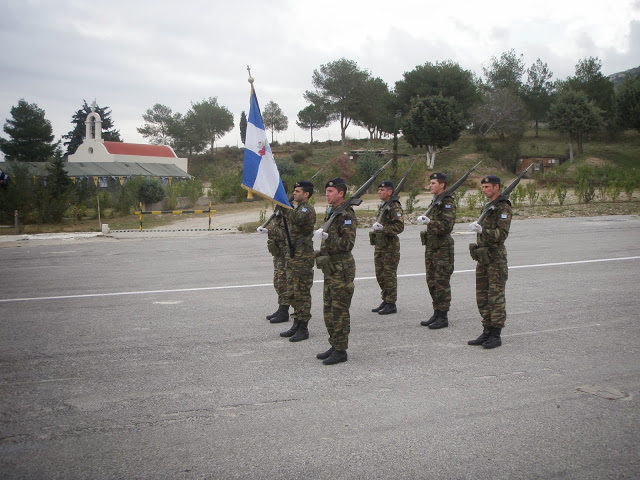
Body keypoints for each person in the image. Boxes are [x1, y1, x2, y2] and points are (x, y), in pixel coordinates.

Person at [314, 178, 356, 365]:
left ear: (341, 193)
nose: (327, 194)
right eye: (326, 191)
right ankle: (334, 343)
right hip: (331, 269)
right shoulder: (332, 212)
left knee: (339, 311)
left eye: (331, 191)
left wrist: (328, 237)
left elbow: (348, 244)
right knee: (329, 310)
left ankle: (341, 350)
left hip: (342, 269)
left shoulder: (346, 214)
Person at [467, 175, 512, 349]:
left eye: (487, 187)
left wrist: (482, 230)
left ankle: (496, 334)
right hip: (483, 257)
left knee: (495, 296)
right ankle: (486, 329)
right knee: (482, 295)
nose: (484, 190)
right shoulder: (488, 207)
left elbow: (502, 235)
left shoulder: (503, 208)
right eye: (483, 187)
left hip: (495, 258)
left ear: (496, 187)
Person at [279, 181, 316, 342]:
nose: (294, 193)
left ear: (306, 194)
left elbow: (295, 219)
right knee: (293, 292)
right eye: (293, 191)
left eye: (298, 191)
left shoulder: (307, 209)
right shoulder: (297, 208)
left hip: (303, 258)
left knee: (302, 293)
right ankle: (296, 322)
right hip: (294, 256)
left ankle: (303, 327)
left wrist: (283, 204)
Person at [417, 172, 456, 329]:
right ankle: (436, 311)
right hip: (431, 248)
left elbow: (447, 227)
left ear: (442, 185)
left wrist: (430, 222)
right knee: (431, 281)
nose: (430, 186)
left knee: (441, 282)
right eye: (430, 183)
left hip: (442, 249)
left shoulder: (447, 203)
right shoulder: (435, 202)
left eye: (434, 183)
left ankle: (443, 315)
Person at [370, 180, 404, 315]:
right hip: (380, 245)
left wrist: (384, 228)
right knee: (380, 274)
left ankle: (391, 303)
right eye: (379, 190)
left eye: (382, 190)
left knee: (389, 275)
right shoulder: (384, 206)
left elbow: (399, 227)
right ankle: (385, 299)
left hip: (390, 247)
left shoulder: (394, 207)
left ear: (390, 192)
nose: (379, 192)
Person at [259, 183, 290, 324]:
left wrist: (269, 231)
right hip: (278, 252)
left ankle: (284, 311)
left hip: (285, 252)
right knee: (277, 282)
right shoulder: (279, 207)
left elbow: (286, 233)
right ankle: (280, 307)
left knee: (283, 282)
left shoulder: (287, 209)